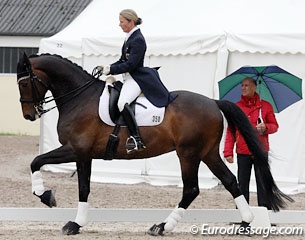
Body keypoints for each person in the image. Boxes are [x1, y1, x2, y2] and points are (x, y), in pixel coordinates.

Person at [100, 9, 176, 153]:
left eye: (122, 22)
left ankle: (136, 138)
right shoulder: (129, 37)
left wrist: (112, 70)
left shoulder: (138, 39)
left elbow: (131, 64)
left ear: (131, 21)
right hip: (128, 77)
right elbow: (123, 60)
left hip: (136, 78)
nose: (119, 25)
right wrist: (109, 66)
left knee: (122, 103)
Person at [223, 77, 279, 209]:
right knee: (242, 183)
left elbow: (275, 126)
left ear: (255, 87)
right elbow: (231, 131)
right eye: (242, 85)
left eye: (246, 85)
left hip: (260, 150)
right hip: (243, 151)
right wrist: (228, 152)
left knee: (263, 182)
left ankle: (265, 212)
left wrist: (266, 128)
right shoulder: (236, 107)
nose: (243, 88)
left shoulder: (265, 106)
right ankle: (242, 212)